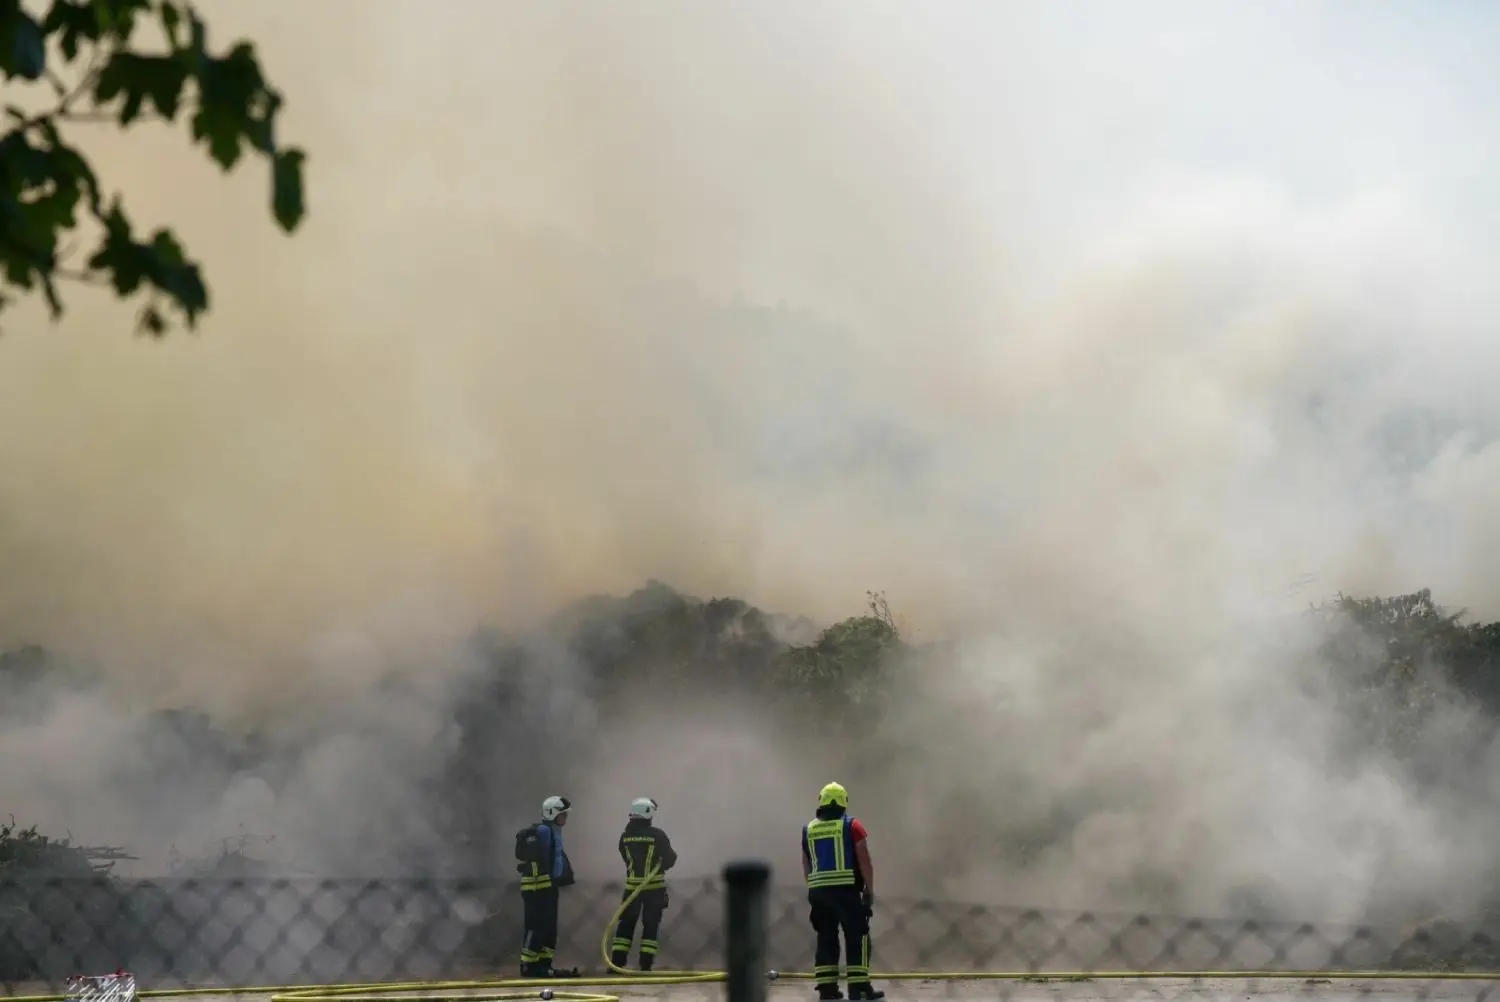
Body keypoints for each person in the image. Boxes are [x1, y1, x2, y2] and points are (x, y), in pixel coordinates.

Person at [802, 782, 883, 1001]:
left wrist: (812, 889)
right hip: (845, 891)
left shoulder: (808, 829)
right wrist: (869, 889)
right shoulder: (852, 826)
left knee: (826, 937)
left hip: (818, 892)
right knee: (858, 935)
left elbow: (806, 864)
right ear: (843, 802)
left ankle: (827, 991)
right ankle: (859, 990)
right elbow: (864, 858)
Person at [610, 796, 678, 971]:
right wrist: (660, 864)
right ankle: (645, 965)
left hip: (631, 888)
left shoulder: (624, 837)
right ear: (648, 814)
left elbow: (625, 858)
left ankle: (617, 963)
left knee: (625, 925)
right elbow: (671, 858)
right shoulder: (657, 835)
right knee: (650, 925)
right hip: (654, 889)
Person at [515, 794, 579, 978]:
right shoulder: (544, 832)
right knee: (537, 926)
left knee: (550, 929)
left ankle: (544, 965)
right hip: (538, 888)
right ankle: (528, 965)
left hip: (548, 887)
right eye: (563, 814)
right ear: (551, 813)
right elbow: (540, 860)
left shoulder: (553, 832)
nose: (565, 818)